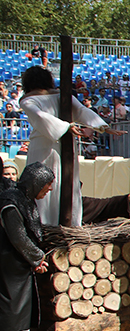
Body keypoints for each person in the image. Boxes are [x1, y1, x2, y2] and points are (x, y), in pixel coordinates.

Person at [18, 66, 124, 226]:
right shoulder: (54, 97)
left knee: (45, 183)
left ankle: (45, 224)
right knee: (49, 183)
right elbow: (75, 112)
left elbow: (47, 116)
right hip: (60, 141)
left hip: (44, 145)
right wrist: (96, 126)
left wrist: (101, 126)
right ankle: (56, 224)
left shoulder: (29, 100)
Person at [0, 162, 54, 331]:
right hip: (6, 268)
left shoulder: (25, 199)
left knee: (15, 318)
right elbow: (18, 236)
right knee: (5, 317)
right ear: (36, 183)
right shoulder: (10, 201)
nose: (48, 190)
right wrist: (37, 257)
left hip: (18, 268)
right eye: (46, 186)